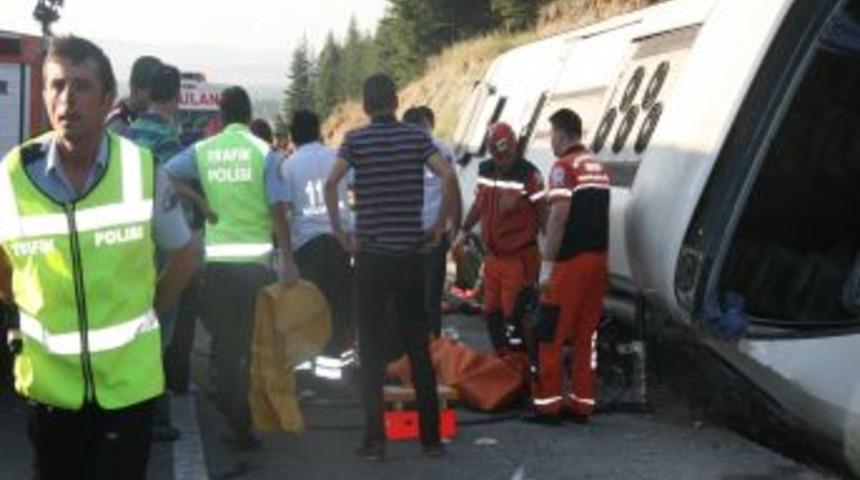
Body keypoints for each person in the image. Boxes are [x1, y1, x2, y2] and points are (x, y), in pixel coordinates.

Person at [0, 35, 198, 479]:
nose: (66, 98)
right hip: (51, 394)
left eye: (82, 86)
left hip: (127, 394)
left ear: (108, 98)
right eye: (55, 85)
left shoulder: (142, 169)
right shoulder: (13, 175)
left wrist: (149, 311)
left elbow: (186, 255)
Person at [324, 73, 459, 461]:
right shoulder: (418, 138)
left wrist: (340, 232)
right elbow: (448, 175)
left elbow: (332, 184)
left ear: (366, 105)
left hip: (371, 259)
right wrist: (438, 227)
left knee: (370, 347)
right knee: (418, 346)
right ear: (396, 102)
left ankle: (374, 439)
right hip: (410, 257)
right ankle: (431, 440)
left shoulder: (355, 140)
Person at [165, 85, 299, 449]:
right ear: (248, 113)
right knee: (254, 346)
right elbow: (277, 211)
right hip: (256, 268)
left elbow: (165, 176)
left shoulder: (203, 150)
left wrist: (199, 200)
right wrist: (287, 259)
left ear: (219, 117)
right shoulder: (264, 152)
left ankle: (234, 414)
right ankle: (248, 413)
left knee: (226, 345)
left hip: (219, 267)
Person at [527, 108, 610, 424]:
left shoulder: (563, 168)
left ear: (561, 134)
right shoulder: (597, 167)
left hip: (571, 263)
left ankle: (548, 407)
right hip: (597, 262)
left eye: (551, 135)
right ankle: (582, 403)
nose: (551, 142)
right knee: (585, 336)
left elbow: (559, 216)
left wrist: (547, 265)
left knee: (550, 334)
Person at [453, 121, 545, 354]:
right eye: (498, 156)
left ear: (514, 148)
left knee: (516, 317)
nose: (502, 160)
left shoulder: (529, 175)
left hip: (519, 259)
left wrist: (553, 256)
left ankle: (522, 368)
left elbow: (544, 212)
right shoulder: (485, 170)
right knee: (491, 313)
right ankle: (502, 360)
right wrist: (463, 232)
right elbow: (479, 204)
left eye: (506, 155)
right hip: (493, 258)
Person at [281, 110, 353, 378]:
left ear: (293, 135)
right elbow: (354, 189)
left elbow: (285, 211)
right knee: (337, 307)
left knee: (307, 310)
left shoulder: (289, 165)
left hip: (306, 247)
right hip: (338, 243)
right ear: (319, 131)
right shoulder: (337, 157)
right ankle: (333, 371)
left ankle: (304, 372)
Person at [402, 106, 462, 337]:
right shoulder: (441, 150)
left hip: (423, 236)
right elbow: (453, 191)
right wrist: (453, 229)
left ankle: (426, 346)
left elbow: (452, 189)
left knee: (421, 298)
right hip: (427, 235)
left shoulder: (438, 150)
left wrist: (454, 230)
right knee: (426, 298)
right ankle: (428, 346)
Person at [105, 55, 162, 137]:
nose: (159, 100)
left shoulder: (152, 120)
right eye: (154, 93)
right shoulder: (116, 126)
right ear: (135, 87)